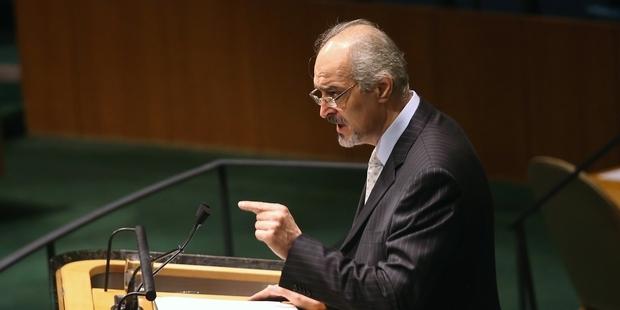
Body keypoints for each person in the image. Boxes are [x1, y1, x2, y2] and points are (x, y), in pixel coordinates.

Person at [238, 19, 501, 310]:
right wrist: (324, 302)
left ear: (382, 88)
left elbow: (393, 296)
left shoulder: (432, 170)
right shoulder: (404, 141)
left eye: (335, 94)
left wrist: (296, 246)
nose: (324, 111)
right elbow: (375, 268)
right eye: (319, 95)